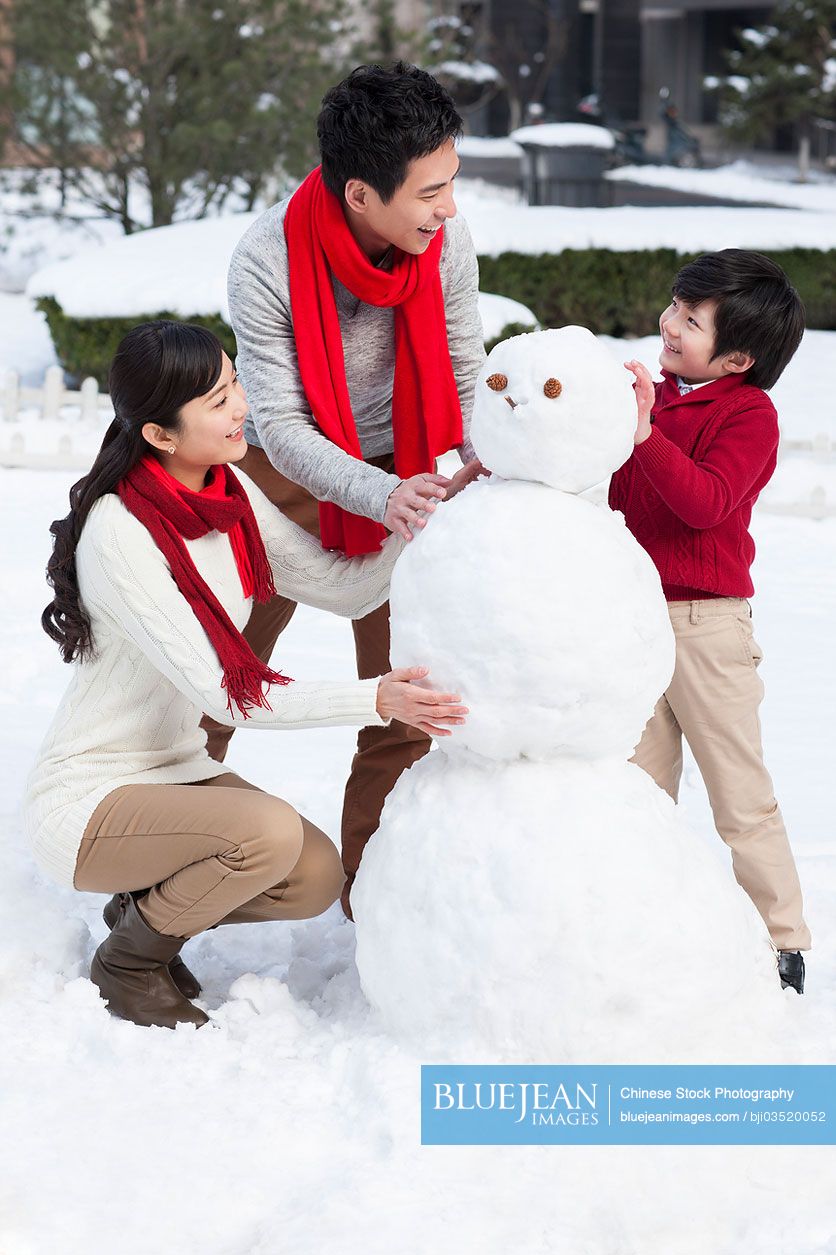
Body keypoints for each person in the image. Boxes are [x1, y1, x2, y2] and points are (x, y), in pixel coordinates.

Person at [23, 321, 468, 1030]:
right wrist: (375, 698)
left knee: (313, 873)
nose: (241, 409)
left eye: (235, 386)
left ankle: (147, 907)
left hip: (174, 771)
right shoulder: (121, 532)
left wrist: (426, 512)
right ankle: (130, 962)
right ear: (161, 435)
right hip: (91, 795)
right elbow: (228, 693)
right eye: (216, 400)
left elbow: (340, 586)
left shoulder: (227, 491)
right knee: (263, 833)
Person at [201, 62, 487, 918]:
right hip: (276, 482)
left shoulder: (444, 242)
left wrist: (481, 459)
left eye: (452, 183)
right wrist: (380, 492)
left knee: (408, 699)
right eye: (430, 191)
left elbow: (467, 369)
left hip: (406, 475)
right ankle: (173, 868)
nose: (449, 208)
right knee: (217, 681)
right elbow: (281, 425)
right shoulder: (266, 259)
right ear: (361, 193)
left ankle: (376, 908)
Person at [610, 249, 810, 993]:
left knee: (740, 794)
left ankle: (781, 942)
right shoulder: (652, 398)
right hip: (631, 623)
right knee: (632, 789)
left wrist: (643, 436)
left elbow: (704, 502)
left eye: (690, 321)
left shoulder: (749, 415)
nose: (669, 324)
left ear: (737, 357)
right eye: (674, 306)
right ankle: (636, 928)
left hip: (707, 627)